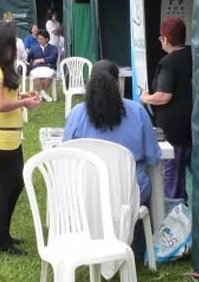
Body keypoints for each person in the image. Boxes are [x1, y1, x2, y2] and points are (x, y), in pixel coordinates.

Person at [0, 21, 41, 255]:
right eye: (11, 42)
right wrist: (24, 102)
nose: (15, 47)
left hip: (10, 136)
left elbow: (5, 95)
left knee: (16, 183)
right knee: (6, 188)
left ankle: (4, 234)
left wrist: (24, 94)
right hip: (1, 137)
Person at [64, 60, 161, 205]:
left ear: (89, 83)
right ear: (118, 83)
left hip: (88, 192)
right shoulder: (138, 111)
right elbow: (153, 156)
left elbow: (67, 155)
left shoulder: (77, 113)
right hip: (130, 193)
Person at [140, 17, 193, 201]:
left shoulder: (169, 63)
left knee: (172, 187)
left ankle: (175, 224)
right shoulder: (195, 56)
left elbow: (163, 96)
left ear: (164, 39)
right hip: (194, 129)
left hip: (174, 134)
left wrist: (145, 97)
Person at [26, 31, 58, 102]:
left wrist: (41, 60)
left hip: (49, 67)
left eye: (41, 39)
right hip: (37, 68)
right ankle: (44, 95)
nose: (39, 40)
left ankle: (40, 96)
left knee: (48, 76)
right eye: (38, 39)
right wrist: (31, 64)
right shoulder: (34, 48)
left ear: (47, 39)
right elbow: (28, 59)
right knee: (36, 76)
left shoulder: (53, 48)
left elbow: (53, 57)